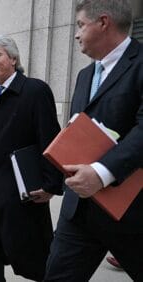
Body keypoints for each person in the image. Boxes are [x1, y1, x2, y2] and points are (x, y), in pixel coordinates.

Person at [44, 1, 143, 281]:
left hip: (132, 211)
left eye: (80, 25)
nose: (76, 34)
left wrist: (102, 173)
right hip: (80, 211)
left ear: (103, 22)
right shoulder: (85, 75)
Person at [0, 35, 63, 281]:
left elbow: (50, 138)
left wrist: (51, 184)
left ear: (13, 58)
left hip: (17, 191)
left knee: (31, 254)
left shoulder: (35, 91)